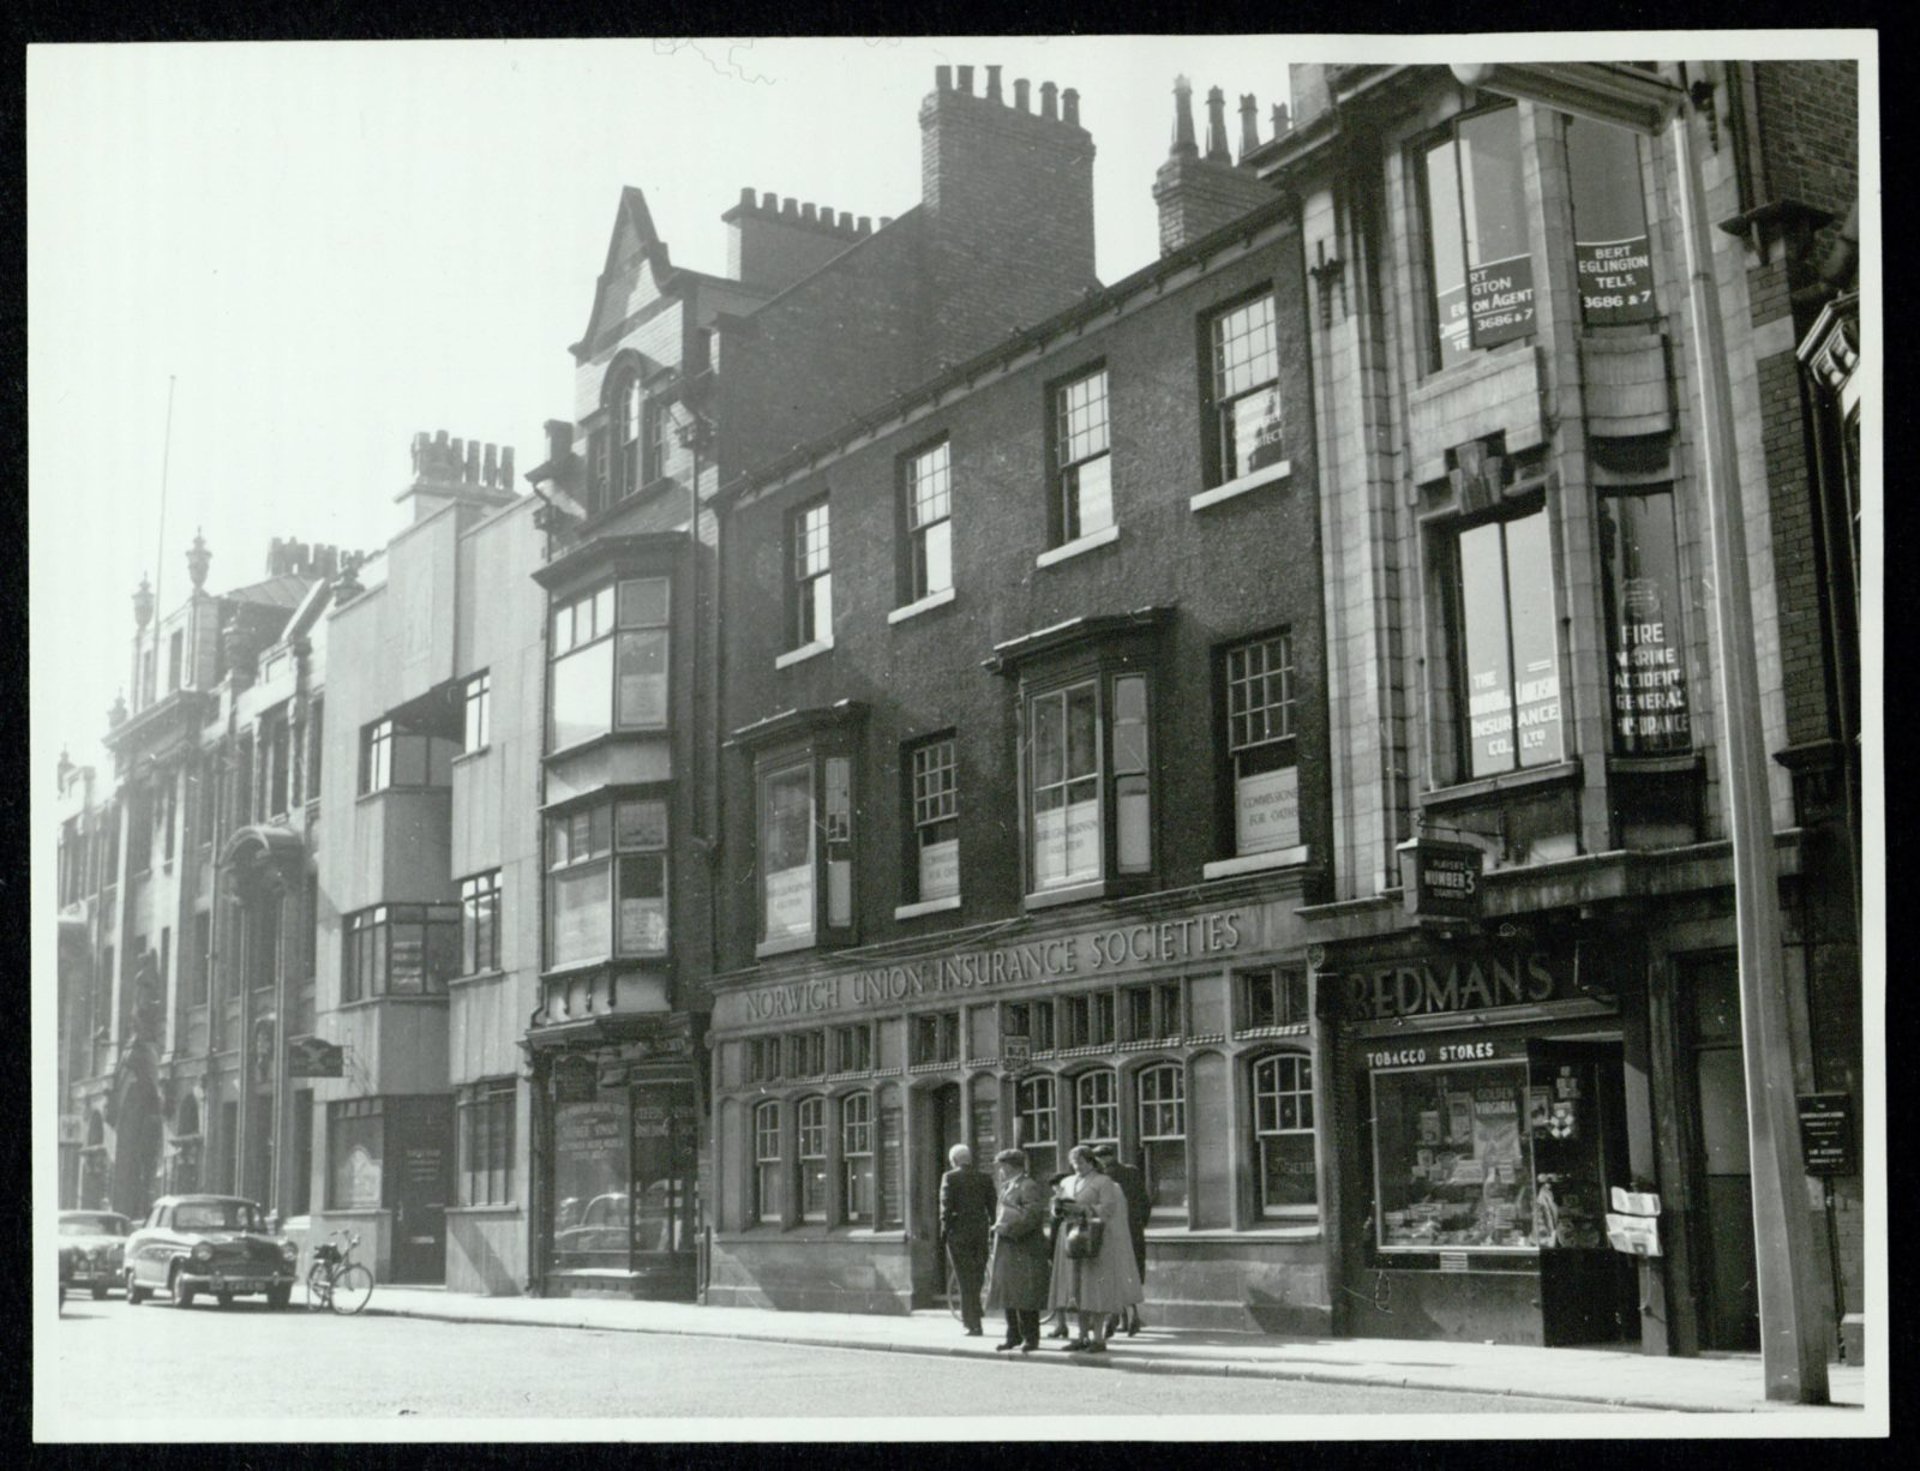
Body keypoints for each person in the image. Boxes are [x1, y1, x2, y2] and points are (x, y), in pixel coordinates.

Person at [1043, 1144, 1142, 1352]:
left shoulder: (1103, 1182)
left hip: (1095, 1239)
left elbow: (1108, 1210)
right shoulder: (1067, 1181)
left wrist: (1081, 1209)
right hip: (1070, 1237)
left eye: (1080, 1162)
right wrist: (1057, 1208)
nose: (1076, 1166)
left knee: (1094, 1288)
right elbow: (1056, 1206)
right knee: (1075, 1288)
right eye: (1073, 1163)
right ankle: (1081, 1336)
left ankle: (1098, 1338)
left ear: (1090, 1161)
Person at [983, 1148, 1052, 1354]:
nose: (1000, 1172)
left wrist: (1009, 1229)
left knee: (1025, 1294)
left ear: (1011, 1167)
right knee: (1009, 1293)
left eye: (1002, 1167)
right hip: (1007, 1247)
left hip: (1024, 1247)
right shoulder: (1008, 1186)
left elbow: (1032, 1216)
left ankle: (1030, 1338)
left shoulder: (1027, 1186)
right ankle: (1012, 1335)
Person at [1092, 1142, 1150, 1335]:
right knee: (1131, 1270)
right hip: (1133, 1228)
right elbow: (1144, 1199)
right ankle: (1130, 1316)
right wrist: (1141, 1223)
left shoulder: (1102, 1179)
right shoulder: (1131, 1171)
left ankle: (1120, 1317)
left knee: (1116, 1270)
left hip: (1115, 1229)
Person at [939, 1143, 996, 1336]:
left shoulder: (949, 1177)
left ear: (954, 1161)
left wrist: (944, 1232)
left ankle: (971, 1322)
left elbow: (945, 1207)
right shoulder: (985, 1178)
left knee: (964, 1279)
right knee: (977, 1277)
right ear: (969, 1159)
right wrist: (992, 1230)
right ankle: (975, 1314)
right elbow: (992, 1206)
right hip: (980, 1232)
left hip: (959, 1234)